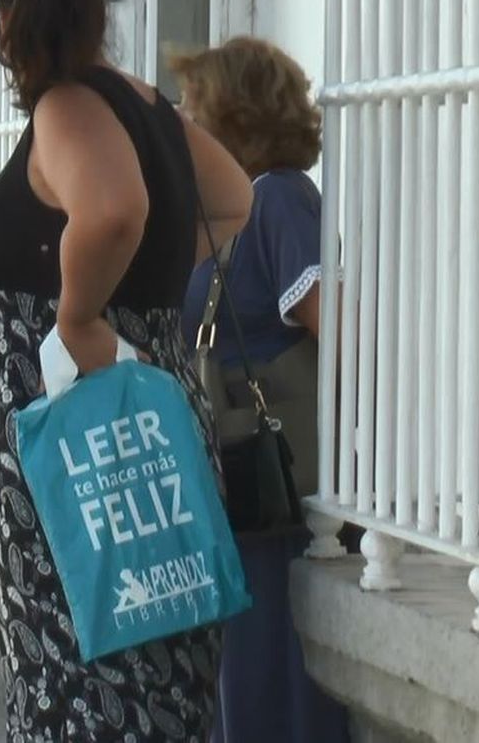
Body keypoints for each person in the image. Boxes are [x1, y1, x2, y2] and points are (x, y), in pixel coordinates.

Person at [0, 0, 253, 740]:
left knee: (87, 662)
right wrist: (142, 295)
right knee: (152, 649)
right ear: (100, 4)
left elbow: (115, 210)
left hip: (84, 442)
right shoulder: (141, 103)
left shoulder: (70, 109)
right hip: (147, 415)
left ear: (5, 19)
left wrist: (83, 312)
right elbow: (231, 201)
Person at [170, 37, 350, 743]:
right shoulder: (229, 204)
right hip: (231, 470)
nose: (182, 115)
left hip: (265, 471)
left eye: (193, 102)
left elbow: (330, 322)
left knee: (264, 650)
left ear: (232, 114)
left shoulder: (275, 197)